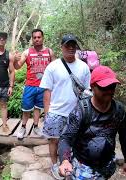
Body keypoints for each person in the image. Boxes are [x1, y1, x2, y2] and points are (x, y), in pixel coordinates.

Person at [57, 66, 126, 179]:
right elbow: (66, 138)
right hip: (82, 166)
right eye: (104, 87)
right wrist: (65, 161)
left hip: (106, 166)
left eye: (112, 87)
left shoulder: (118, 110)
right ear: (92, 87)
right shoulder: (81, 110)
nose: (109, 91)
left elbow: (124, 136)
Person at [39, 34, 91, 179]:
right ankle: (55, 165)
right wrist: (47, 112)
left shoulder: (84, 67)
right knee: (54, 140)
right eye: (67, 45)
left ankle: (69, 164)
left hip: (77, 113)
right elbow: (47, 92)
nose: (71, 48)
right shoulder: (53, 67)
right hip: (56, 112)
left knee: (74, 141)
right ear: (61, 47)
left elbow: (87, 91)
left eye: (73, 45)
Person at [13, 29, 55, 139]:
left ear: (42, 38)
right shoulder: (27, 52)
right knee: (26, 109)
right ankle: (23, 127)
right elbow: (17, 67)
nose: (36, 39)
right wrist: (14, 60)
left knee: (38, 108)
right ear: (32, 39)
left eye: (39, 37)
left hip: (43, 86)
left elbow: (55, 68)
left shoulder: (49, 52)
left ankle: (36, 127)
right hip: (30, 86)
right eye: (34, 37)